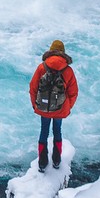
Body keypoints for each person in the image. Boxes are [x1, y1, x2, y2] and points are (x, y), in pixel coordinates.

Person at [29, 39, 79, 171]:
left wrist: (35, 104)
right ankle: (56, 160)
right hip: (60, 108)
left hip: (43, 107)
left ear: (50, 51)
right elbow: (73, 92)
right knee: (57, 131)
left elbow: (33, 87)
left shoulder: (42, 67)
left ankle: (42, 162)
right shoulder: (68, 70)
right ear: (63, 53)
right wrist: (67, 107)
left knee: (43, 131)